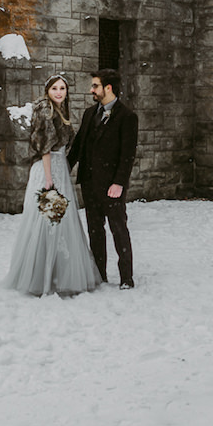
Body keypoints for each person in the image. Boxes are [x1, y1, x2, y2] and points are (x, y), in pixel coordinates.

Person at [3, 74, 102, 297]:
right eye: (55, 88)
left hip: (59, 168)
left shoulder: (60, 111)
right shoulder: (44, 110)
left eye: (62, 89)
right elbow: (44, 147)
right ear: (47, 90)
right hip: (47, 169)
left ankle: (59, 273)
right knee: (47, 221)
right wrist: (49, 178)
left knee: (61, 222)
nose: (59, 92)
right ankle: (41, 276)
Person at [67, 69, 138, 289]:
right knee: (95, 230)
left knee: (118, 229)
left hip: (111, 186)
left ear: (108, 88)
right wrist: (64, 169)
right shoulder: (90, 113)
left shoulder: (127, 117)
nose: (91, 90)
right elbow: (79, 145)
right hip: (89, 183)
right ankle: (100, 274)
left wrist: (119, 183)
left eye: (95, 86)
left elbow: (127, 154)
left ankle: (126, 277)